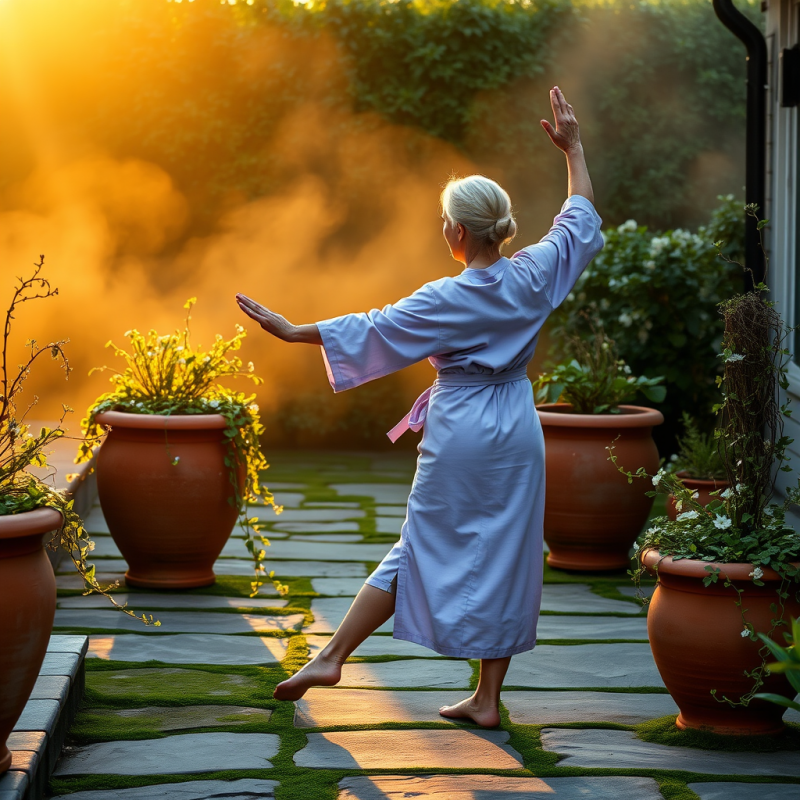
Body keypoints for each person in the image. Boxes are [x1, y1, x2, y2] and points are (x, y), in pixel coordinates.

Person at [236, 86, 603, 728]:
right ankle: (487, 699)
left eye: (444, 223)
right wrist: (574, 149)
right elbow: (579, 214)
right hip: (517, 424)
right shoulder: (536, 271)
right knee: (511, 553)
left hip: (462, 428)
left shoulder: (445, 298)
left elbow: (374, 327)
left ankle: (332, 654)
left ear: (458, 232)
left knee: (418, 544)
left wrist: (297, 332)